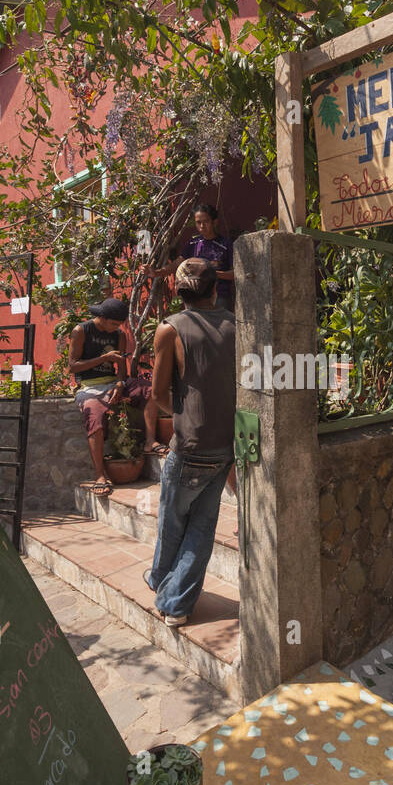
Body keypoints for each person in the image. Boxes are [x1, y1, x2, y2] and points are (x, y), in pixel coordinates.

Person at [143, 259, 235, 626]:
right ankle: (171, 594)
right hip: (225, 443)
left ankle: (171, 596)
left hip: (190, 445)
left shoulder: (170, 329)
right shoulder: (237, 325)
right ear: (215, 290)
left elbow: (158, 393)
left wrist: (181, 412)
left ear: (179, 291)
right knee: (202, 525)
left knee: (172, 520)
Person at [68, 297, 166, 498]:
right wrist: (104, 358)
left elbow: (121, 369)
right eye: (113, 324)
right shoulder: (81, 331)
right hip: (89, 387)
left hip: (113, 383)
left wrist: (120, 385)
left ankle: (150, 442)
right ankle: (99, 475)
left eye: (118, 325)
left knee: (150, 390)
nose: (115, 328)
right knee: (93, 414)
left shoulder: (119, 335)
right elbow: (73, 366)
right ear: (101, 318)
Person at [151, 203, 234, 309]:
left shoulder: (226, 245)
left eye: (206, 222)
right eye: (198, 222)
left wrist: (211, 273)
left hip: (220, 297)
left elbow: (235, 274)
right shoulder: (192, 244)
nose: (202, 226)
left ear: (215, 222)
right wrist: (157, 272)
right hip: (195, 298)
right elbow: (177, 264)